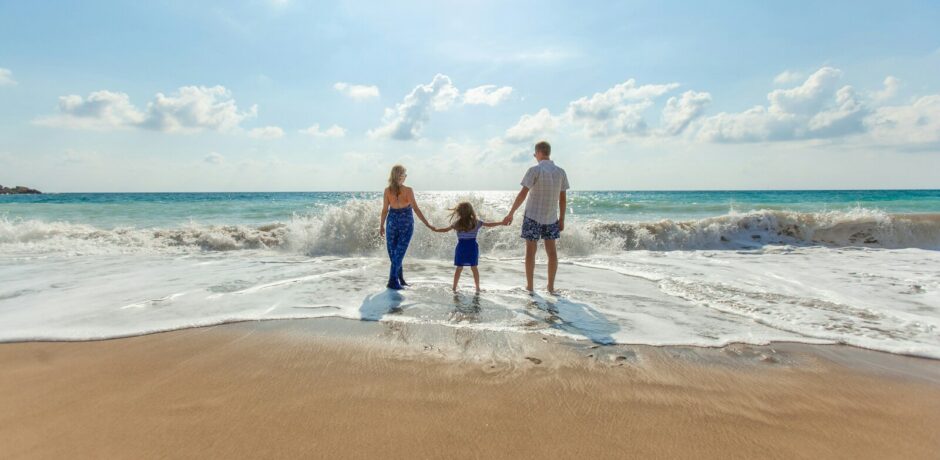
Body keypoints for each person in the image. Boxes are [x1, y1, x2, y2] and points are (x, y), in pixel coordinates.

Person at [502, 141, 569, 293]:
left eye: (535, 154)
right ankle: (550, 287)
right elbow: (563, 199)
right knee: (552, 253)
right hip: (551, 218)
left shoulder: (534, 170)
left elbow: (522, 194)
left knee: (530, 253)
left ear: (538, 153)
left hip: (532, 216)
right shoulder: (561, 172)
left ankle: (530, 287)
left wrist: (511, 213)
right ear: (548, 152)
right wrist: (562, 219)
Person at [379, 165, 434, 290]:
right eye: (405, 174)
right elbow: (415, 208)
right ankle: (393, 281)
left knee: (396, 253)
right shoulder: (407, 190)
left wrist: (381, 225)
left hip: (393, 222)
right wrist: (427, 224)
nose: (406, 177)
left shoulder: (388, 190)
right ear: (400, 176)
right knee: (396, 253)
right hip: (404, 222)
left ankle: (400, 279)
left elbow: (384, 210)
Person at [433, 201, 505, 292]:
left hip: (461, 247)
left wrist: (434, 229)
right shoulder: (476, 222)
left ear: (459, 212)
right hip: (472, 247)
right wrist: (501, 222)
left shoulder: (457, 223)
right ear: (471, 211)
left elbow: (445, 230)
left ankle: (454, 288)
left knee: (459, 268)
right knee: (474, 268)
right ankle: (477, 288)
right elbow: (489, 224)